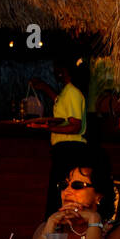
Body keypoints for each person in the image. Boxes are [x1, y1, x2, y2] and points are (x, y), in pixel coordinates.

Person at [28, 142, 120, 239]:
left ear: (98, 196)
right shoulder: (49, 227)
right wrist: (49, 227)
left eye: (77, 185)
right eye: (63, 185)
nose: (67, 192)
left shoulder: (119, 232)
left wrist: (94, 221)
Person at [27, 57, 89, 217]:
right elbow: (60, 102)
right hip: (63, 150)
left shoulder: (73, 93)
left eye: (58, 69)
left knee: (62, 196)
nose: (55, 73)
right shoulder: (66, 93)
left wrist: (49, 128)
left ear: (64, 71)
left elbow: (75, 126)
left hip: (70, 149)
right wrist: (44, 88)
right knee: (56, 195)